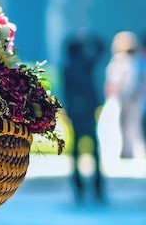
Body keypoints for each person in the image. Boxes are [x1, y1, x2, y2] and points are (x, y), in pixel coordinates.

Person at [61, 33, 105, 202]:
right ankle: (97, 187)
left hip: (76, 112)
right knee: (94, 150)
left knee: (76, 151)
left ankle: (79, 186)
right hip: (87, 112)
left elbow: (66, 92)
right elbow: (101, 47)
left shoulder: (67, 67)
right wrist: (89, 38)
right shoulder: (86, 63)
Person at [104, 31, 146, 159]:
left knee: (125, 123)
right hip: (134, 98)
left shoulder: (121, 60)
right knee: (132, 124)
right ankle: (128, 150)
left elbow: (116, 81)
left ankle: (127, 150)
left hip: (126, 98)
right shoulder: (138, 60)